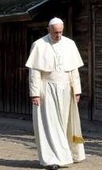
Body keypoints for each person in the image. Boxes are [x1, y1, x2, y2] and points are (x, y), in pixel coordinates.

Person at [25, 17, 85, 169]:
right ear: (48, 30)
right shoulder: (39, 45)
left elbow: (74, 71)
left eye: (60, 32)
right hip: (47, 90)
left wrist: (77, 90)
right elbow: (35, 72)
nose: (58, 35)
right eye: (55, 32)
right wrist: (35, 94)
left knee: (65, 123)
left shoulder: (70, 44)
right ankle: (51, 159)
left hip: (66, 89)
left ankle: (69, 154)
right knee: (50, 125)